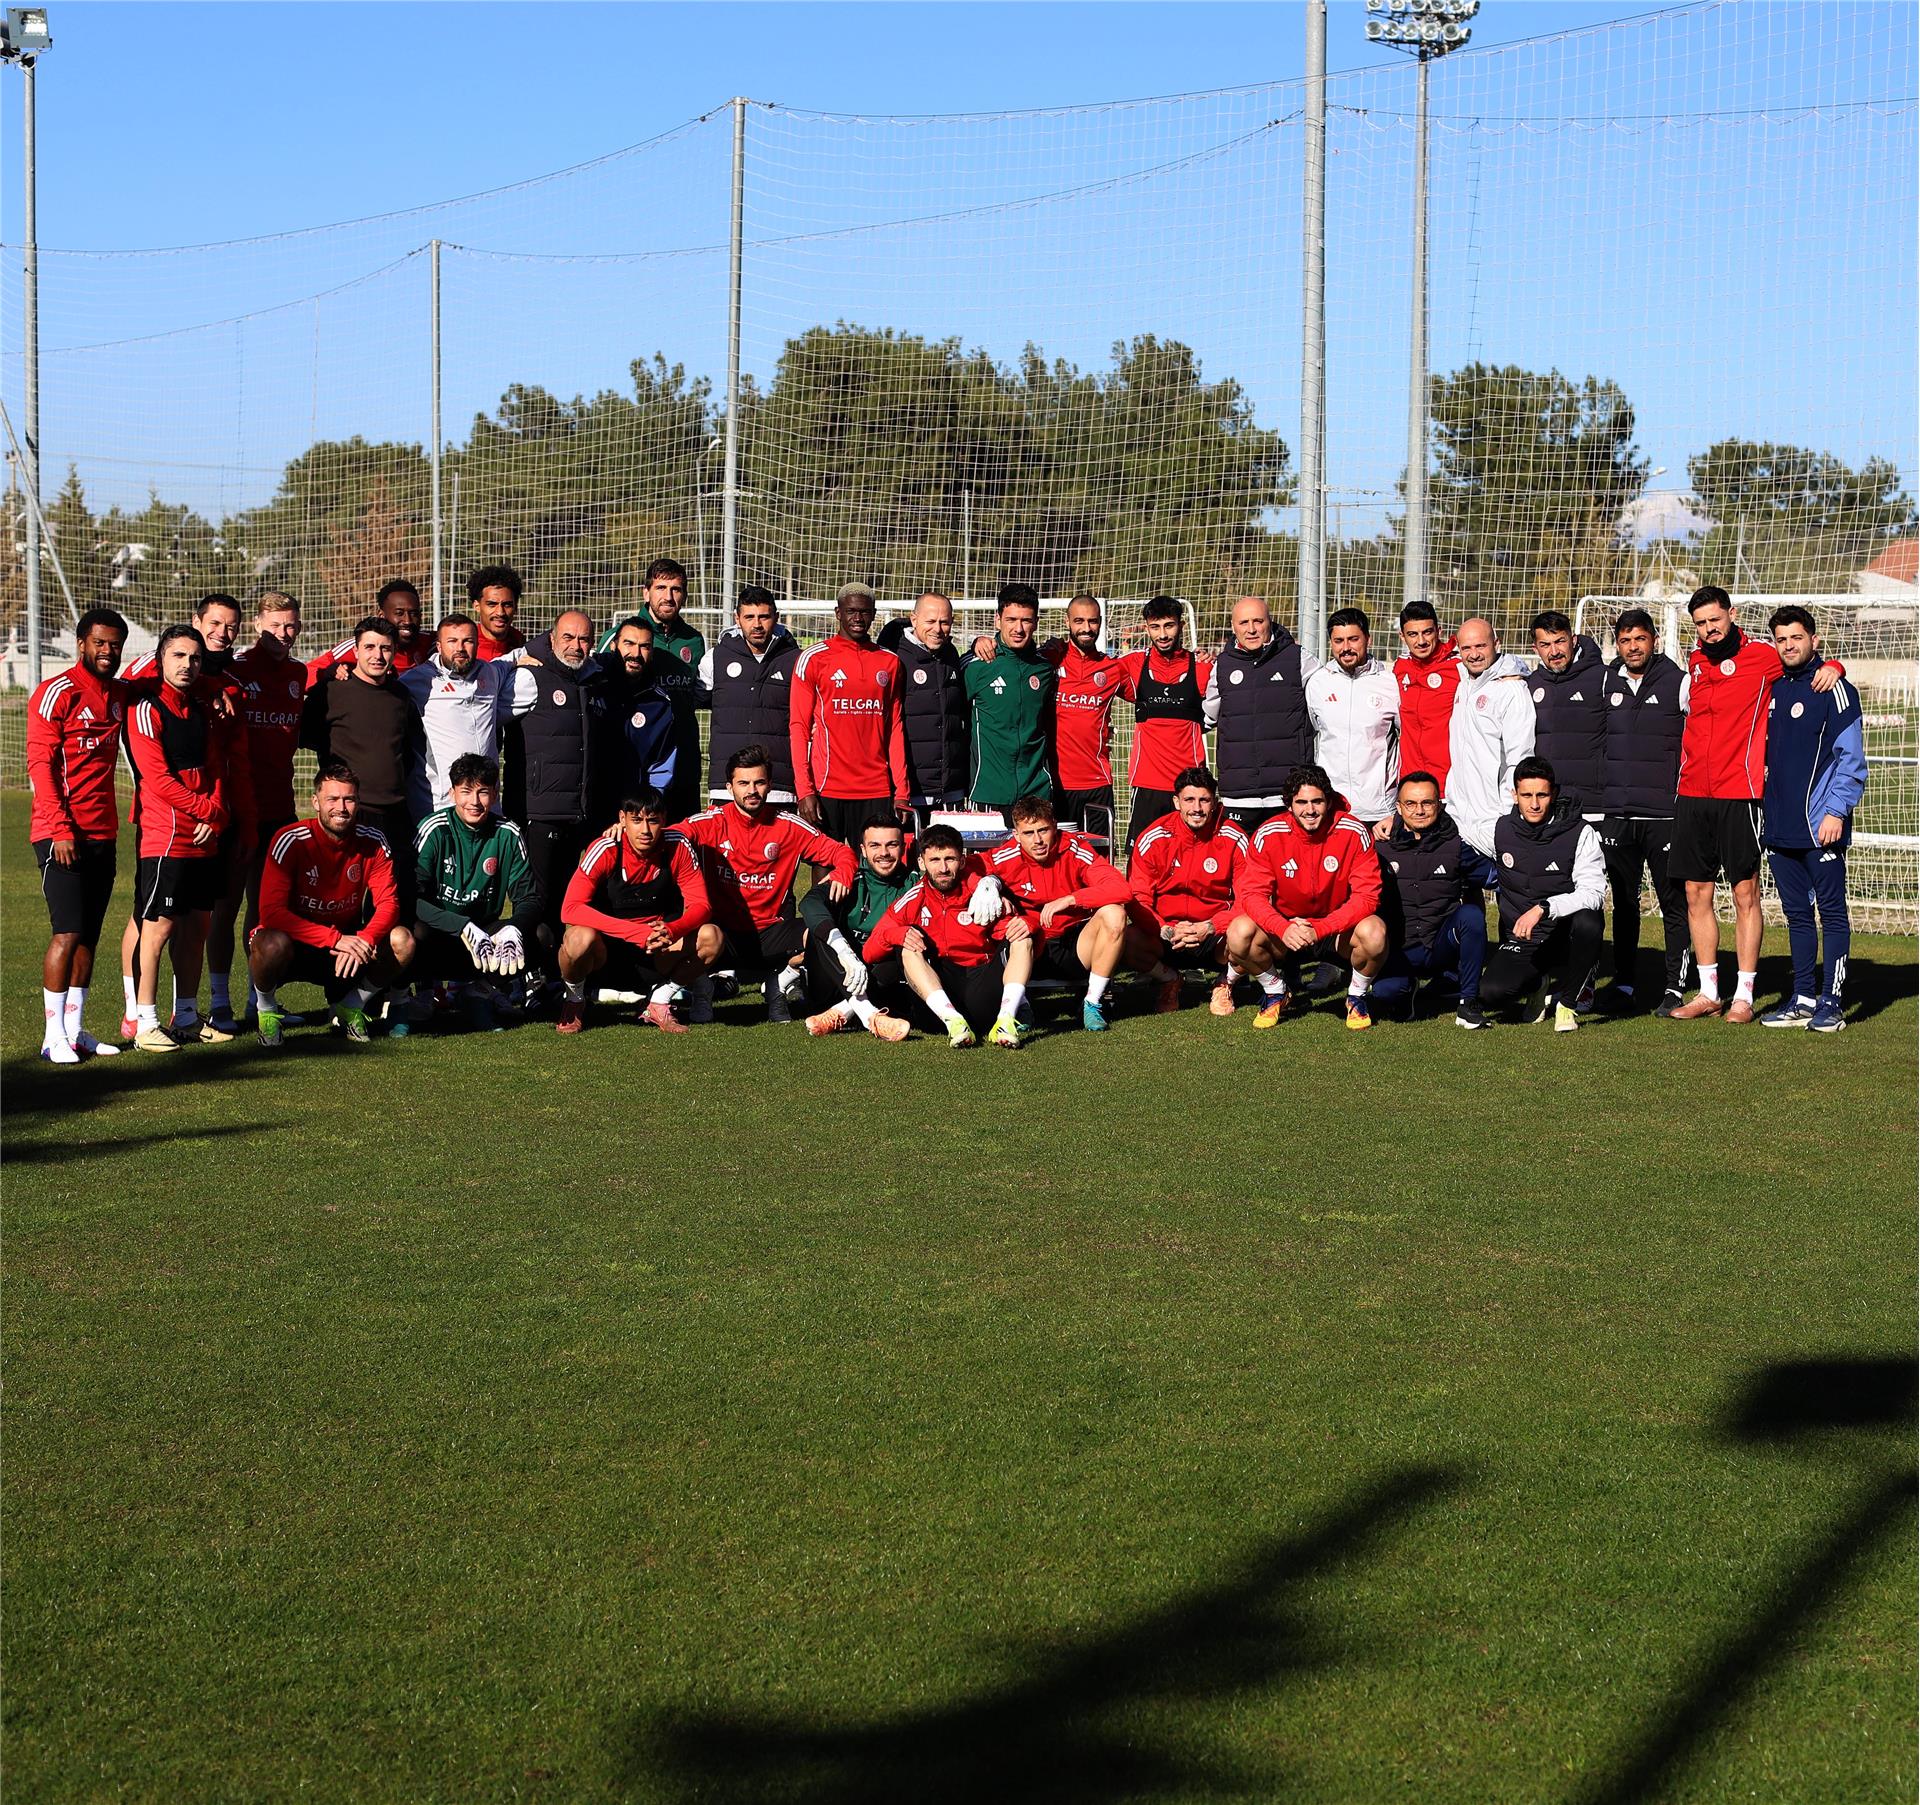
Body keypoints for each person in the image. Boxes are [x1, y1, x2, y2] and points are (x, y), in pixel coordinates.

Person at [1669, 585, 1842, 1023]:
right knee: (1695, 892)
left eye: (1715, 619)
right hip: (1692, 792)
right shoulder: (1695, 661)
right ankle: (1709, 993)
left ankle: (1744, 996)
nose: (1709, 629)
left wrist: (1835, 666)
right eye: (1701, 623)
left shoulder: (1763, 656)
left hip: (1739, 792)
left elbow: (1802, 661)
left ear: (1731, 614)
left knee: (1744, 892)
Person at [116, 590, 245, 1037]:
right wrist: (208, 811)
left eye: (194, 657)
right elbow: (158, 779)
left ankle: (187, 1016)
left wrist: (218, 815)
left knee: (197, 926)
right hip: (166, 834)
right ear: (160, 659)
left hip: (205, 835)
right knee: (156, 926)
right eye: (178, 655)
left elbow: (214, 767)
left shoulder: (202, 707)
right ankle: (144, 1020)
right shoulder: (145, 706)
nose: (187, 664)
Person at [679, 743, 857, 1023]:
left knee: (823, 933)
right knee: (692, 929)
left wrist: (843, 872)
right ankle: (703, 990)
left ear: (769, 785)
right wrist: (623, 831)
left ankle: (779, 983)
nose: (752, 790)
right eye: (743, 783)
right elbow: (668, 837)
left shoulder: (789, 826)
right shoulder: (711, 822)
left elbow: (841, 852)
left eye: (759, 782)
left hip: (772, 933)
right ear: (729, 788)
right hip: (723, 935)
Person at [250, 761, 415, 1046]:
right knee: (269, 943)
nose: (341, 807)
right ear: (316, 802)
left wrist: (365, 938)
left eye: (349, 799)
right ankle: (266, 1011)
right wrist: (334, 939)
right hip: (296, 946)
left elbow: (389, 903)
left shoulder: (374, 842)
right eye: (332, 799)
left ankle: (352, 1006)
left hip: (345, 951)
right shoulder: (290, 840)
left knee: (403, 941)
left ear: (358, 802)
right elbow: (272, 913)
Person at [28, 608, 130, 1062]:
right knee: (66, 933)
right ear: (82, 644)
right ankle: (52, 1037)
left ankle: (75, 1029)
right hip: (61, 834)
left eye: (115, 644)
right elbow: (40, 766)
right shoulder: (57, 693)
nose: (108, 651)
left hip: (103, 833)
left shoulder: (120, 694)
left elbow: (160, 674)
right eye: (100, 643)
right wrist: (60, 828)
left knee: (88, 936)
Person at [1759, 605, 1866, 1032]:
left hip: (1821, 824)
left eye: (1796, 638)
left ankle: (1832, 1003)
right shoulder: (1773, 687)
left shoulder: (1835, 689)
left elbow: (1851, 760)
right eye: (1781, 639)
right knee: (1797, 915)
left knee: (1832, 914)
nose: (1789, 646)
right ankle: (1803, 998)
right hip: (1779, 826)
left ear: (1814, 640)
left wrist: (1836, 811)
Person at [1225, 763, 1386, 1030]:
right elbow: (1252, 895)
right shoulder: (1269, 833)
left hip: (1336, 931)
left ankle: (1356, 996)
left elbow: (1367, 897)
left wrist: (1322, 928)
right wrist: (1282, 927)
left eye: (1317, 802)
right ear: (1289, 805)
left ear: (1328, 801)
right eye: (1301, 802)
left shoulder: (1354, 831)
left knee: (1375, 933)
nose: (1309, 810)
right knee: (1239, 933)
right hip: (1288, 931)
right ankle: (1275, 990)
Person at [557, 786, 715, 1035]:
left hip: (657, 951)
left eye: (653, 821)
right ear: (622, 819)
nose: (645, 830)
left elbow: (702, 905)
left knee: (711, 936)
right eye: (637, 820)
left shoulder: (677, 846)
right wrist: (635, 933)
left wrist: (672, 930)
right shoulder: (606, 848)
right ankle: (574, 1001)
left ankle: (659, 1002)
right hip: (605, 956)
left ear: (664, 819)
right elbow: (570, 908)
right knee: (577, 938)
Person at [220, 590, 310, 1029]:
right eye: (274, 625)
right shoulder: (235, 670)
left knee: (267, 911)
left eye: (290, 625)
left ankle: (259, 1002)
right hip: (237, 811)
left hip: (279, 812)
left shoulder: (299, 673)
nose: (283, 633)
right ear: (257, 625)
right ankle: (218, 1002)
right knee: (225, 906)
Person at [1596, 607, 1691, 1016]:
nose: (1632, 647)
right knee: (1623, 901)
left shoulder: (1679, 682)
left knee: (1673, 902)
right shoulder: (1606, 681)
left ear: (1654, 639)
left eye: (1640, 639)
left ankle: (1674, 986)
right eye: (1625, 640)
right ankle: (1624, 982)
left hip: (1664, 815)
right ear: (1617, 644)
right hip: (1617, 813)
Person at [863, 823, 1034, 1048]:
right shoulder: (912, 899)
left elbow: (1016, 935)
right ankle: (954, 1022)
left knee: (1022, 935)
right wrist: (897, 934)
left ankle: (1006, 1020)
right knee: (906, 941)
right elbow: (869, 952)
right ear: (922, 863)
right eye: (934, 860)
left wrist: (1025, 923)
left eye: (949, 859)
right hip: (939, 998)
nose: (943, 868)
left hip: (981, 987)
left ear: (962, 861)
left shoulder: (983, 895)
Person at [505, 608, 610, 961]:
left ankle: (555, 973)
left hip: (579, 813)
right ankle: (527, 973)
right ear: (551, 639)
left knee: (569, 900)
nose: (576, 645)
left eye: (584, 639)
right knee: (536, 899)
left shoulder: (594, 681)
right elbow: (485, 712)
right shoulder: (528, 678)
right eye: (568, 637)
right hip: (540, 811)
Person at [409, 755, 541, 1033]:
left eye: (482, 792)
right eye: (466, 791)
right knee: (411, 930)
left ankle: (481, 992)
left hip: (484, 943)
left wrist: (514, 929)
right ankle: (421, 994)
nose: (474, 801)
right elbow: (411, 898)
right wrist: (461, 926)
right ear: (452, 793)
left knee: (540, 935)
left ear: (495, 793)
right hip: (440, 937)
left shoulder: (508, 833)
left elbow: (529, 899)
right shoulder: (434, 830)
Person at [984, 794, 1133, 1031]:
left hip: (1074, 945)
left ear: (1054, 826)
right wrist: (990, 888)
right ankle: (1020, 1007)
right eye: (1028, 833)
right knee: (1014, 930)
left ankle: (1092, 1002)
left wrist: (1071, 899)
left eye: (1043, 830)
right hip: (1029, 947)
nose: (1037, 840)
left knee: (1115, 914)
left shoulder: (1075, 848)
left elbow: (1121, 889)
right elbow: (966, 872)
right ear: (1016, 835)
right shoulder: (1006, 855)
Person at [1479, 757, 1606, 1033]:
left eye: (1542, 795)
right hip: (1523, 937)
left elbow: (1595, 893)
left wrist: (1545, 907)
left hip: (1564, 933)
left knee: (1590, 921)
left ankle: (1568, 1004)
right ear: (1514, 795)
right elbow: (1457, 836)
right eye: (1526, 795)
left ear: (1554, 794)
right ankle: (1538, 984)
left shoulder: (1580, 832)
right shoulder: (1498, 830)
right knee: (1491, 994)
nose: (1534, 804)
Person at [1372, 770, 1498, 1029]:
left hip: (1441, 945)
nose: (1419, 810)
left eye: (1427, 803)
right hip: (1399, 949)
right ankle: (1407, 989)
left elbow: (1497, 877)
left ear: (1439, 806)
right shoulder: (1379, 848)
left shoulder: (1456, 845)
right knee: (1386, 993)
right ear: (1398, 807)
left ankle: (1468, 1003)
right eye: (1410, 803)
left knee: (1471, 915)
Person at [1124, 766, 1249, 1016]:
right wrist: (1165, 929)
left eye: (1204, 800)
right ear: (1176, 802)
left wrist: (1211, 926)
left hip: (1215, 935)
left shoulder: (1234, 838)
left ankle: (1224, 982)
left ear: (1215, 803)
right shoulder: (1154, 838)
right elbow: (1138, 899)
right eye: (1189, 799)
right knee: (1124, 938)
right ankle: (1169, 979)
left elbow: (1248, 899)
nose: (1197, 808)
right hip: (1168, 935)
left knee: (1251, 932)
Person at [791, 581, 910, 841]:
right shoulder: (813, 658)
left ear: (874, 614)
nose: (858, 618)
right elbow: (799, 728)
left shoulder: (890, 662)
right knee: (827, 862)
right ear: (838, 613)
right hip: (827, 787)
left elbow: (895, 728)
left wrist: (902, 790)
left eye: (864, 612)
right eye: (851, 611)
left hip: (876, 788)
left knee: (875, 861)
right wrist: (804, 790)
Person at [300, 616, 422, 857]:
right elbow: (307, 738)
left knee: (400, 878)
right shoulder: (330, 691)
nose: (378, 655)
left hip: (395, 811)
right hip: (351, 811)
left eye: (385, 648)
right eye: (369, 647)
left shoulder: (401, 695)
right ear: (355, 651)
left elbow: (406, 750)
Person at [1203, 595, 1316, 836]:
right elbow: (1207, 716)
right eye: (1244, 623)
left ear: (1269, 622)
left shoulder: (1298, 658)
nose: (1251, 629)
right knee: (1239, 859)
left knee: (1288, 858)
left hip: (1288, 791)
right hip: (1239, 794)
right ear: (1233, 627)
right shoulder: (1222, 665)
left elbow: (1325, 708)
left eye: (1258, 621)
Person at [799, 814, 917, 1041]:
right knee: (819, 932)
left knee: (906, 942)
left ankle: (844, 1011)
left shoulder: (913, 884)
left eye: (891, 845)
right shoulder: (848, 877)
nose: (883, 853)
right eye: (875, 845)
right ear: (863, 850)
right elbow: (809, 903)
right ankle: (867, 1012)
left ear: (903, 848)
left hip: (880, 980)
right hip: (837, 977)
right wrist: (844, 951)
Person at [1112, 595, 1212, 849]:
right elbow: (1094, 672)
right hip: (1147, 781)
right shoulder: (1134, 665)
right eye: (1155, 627)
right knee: (1142, 855)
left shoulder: (1203, 668)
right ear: (1147, 628)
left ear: (1181, 625)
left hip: (1190, 782)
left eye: (1169, 625)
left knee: (1191, 854)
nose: (1163, 634)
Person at [399, 612, 515, 817]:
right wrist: (339, 670)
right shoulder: (416, 681)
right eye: (452, 641)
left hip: (485, 802)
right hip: (440, 804)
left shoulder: (491, 672)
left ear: (477, 644)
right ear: (439, 645)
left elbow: (517, 656)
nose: (460, 648)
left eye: (467, 641)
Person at [700, 586, 801, 806]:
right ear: (737, 618)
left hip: (778, 787)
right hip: (727, 788)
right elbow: (697, 699)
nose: (757, 625)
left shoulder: (797, 661)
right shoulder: (715, 658)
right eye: (749, 617)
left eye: (764, 617)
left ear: (776, 617)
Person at [963, 584, 1056, 822]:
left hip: (1036, 789)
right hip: (988, 790)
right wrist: (976, 642)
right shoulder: (976, 666)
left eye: (1026, 620)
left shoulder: (1045, 669)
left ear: (1036, 622)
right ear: (998, 620)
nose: (1018, 629)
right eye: (1011, 619)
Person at [1446, 616, 1536, 860]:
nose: (1474, 654)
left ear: (1497, 644)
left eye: (1481, 646)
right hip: (1459, 817)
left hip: (1494, 820)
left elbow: (1520, 757)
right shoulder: (1464, 683)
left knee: (1507, 883)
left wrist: (1508, 813)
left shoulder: (1511, 689)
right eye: (1467, 648)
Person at [624, 557, 706, 821]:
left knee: (683, 838)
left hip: (684, 765)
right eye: (661, 588)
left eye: (676, 589)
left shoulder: (694, 640)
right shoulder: (624, 636)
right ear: (646, 592)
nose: (668, 597)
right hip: (639, 766)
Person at [877, 589, 969, 813]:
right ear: (914, 619)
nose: (937, 629)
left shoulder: (951, 655)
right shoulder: (893, 657)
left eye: (944, 622)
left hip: (951, 790)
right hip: (909, 790)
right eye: (930, 621)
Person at [1305, 606, 1399, 827]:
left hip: (1378, 809)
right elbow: (1315, 732)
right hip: (1331, 809)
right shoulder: (1318, 683)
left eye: (1353, 639)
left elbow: (1407, 739)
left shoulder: (1389, 683)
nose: (1346, 648)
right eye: (1338, 641)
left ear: (1368, 639)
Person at [1527, 611, 1608, 818]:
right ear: (1535, 649)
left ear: (1573, 640)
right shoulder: (1530, 684)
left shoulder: (1603, 678)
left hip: (1593, 804)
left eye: (1560, 641)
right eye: (1545, 645)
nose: (1554, 651)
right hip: (1546, 804)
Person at [596, 615, 680, 804]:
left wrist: (647, 806)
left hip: (632, 809)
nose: (636, 653)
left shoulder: (660, 705)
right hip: (588, 805)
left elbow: (661, 766)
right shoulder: (591, 688)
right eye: (629, 643)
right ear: (613, 646)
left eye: (644, 646)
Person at [1392, 602, 1460, 794]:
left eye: (1427, 632)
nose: (1421, 641)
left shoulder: (1459, 666)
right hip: (1410, 782)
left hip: (1449, 784)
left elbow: (1491, 662)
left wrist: (1512, 670)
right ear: (1402, 636)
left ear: (1439, 631)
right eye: (1413, 634)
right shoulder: (1399, 667)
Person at [309, 578, 428, 680]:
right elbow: (309, 673)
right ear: (381, 615)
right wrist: (329, 673)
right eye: (399, 613)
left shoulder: (431, 642)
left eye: (414, 613)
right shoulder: (360, 646)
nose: (407, 621)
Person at [467, 563, 527, 663]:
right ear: (477, 606)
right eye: (492, 604)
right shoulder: (465, 647)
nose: (500, 612)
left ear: (515, 607)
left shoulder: (519, 642)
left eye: (507, 605)